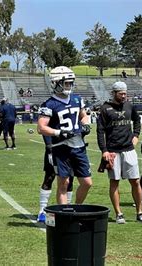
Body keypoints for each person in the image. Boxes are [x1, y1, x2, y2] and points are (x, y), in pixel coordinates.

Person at [37, 66, 93, 204]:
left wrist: (86, 124)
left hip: (79, 146)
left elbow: (83, 115)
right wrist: (59, 133)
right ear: (56, 83)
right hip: (61, 148)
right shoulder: (49, 104)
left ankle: (77, 208)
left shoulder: (76, 99)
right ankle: (64, 215)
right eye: (66, 83)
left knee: (87, 182)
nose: (69, 86)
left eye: (70, 83)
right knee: (64, 182)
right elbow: (41, 127)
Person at [97, 81, 142, 224]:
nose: (124, 96)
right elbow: (100, 131)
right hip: (113, 151)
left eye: (125, 93)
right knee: (115, 182)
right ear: (114, 93)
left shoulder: (129, 106)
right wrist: (104, 150)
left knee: (136, 181)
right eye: (121, 93)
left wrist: (136, 135)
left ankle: (139, 212)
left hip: (129, 150)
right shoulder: (105, 108)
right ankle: (119, 213)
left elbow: (137, 121)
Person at [36, 135, 75, 223]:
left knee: (70, 180)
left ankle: (66, 208)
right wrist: (49, 146)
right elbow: (45, 127)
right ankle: (42, 211)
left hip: (70, 149)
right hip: (54, 148)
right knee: (49, 177)